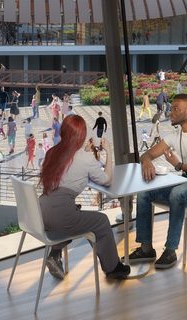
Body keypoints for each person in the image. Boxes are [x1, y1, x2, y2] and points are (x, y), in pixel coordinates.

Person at [130, 94, 187, 269]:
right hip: (186, 181)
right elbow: (147, 154)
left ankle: (170, 250)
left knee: (177, 193)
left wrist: (180, 165)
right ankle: (146, 248)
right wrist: (147, 161)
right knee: (144, 192)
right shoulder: (174, 135)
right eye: (171, 108)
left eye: (175, 109)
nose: (170, 112)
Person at [37, 115, 132, 280]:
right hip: (60, 216)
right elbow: (107, 180)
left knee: (75, 213)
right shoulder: (84, 158)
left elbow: (70, 169)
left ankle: (55, 253)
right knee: (101, 221)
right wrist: (109, 151)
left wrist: (85, 152)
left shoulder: (52, 152)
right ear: (81, 136)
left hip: (42, 213)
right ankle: (113, 268)